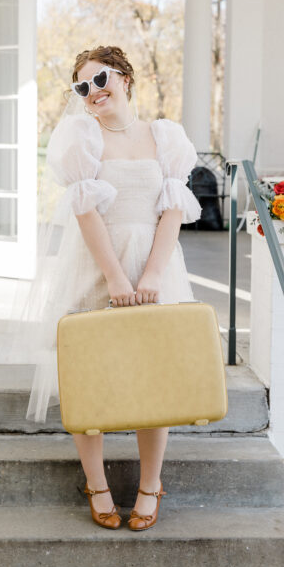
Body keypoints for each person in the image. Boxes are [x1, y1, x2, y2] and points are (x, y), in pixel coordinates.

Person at [25, 45, 202, 531]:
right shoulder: (82, 140)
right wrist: (115, 277)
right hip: (96, 267)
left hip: (154, 267)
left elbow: (172, 211)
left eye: (99, 79)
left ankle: (150, 485)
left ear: (124, 78)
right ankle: (96, 484)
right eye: (82, 87)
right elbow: (86, 213)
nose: (92, 92)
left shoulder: (165, 137)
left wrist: (151, 275)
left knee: (154, 379)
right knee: (90, 379)